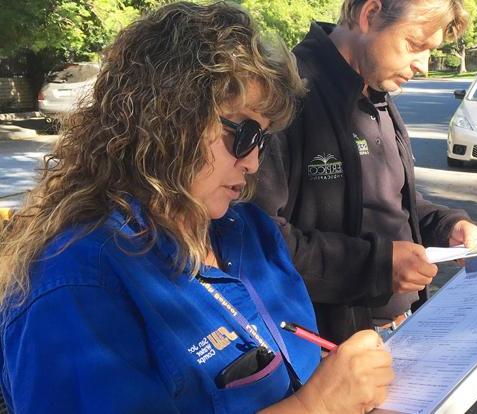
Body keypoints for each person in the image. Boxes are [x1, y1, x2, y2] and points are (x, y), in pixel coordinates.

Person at [0, 2, 393, 413]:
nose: (254, 161)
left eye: (262, 140)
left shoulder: (249, 232)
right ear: (168, 118)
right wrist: (319, 404)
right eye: (242, 133)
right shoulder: (76, 284)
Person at [254, 0, 477, 343]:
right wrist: (375, 265)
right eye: (414, 45)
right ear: (370, 14)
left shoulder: (376, 91)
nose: (423, 66)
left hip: (404, 327)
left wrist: (448, 225)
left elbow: (390, 199)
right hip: (328, 346)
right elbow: (257, 239)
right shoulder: (287, 94)